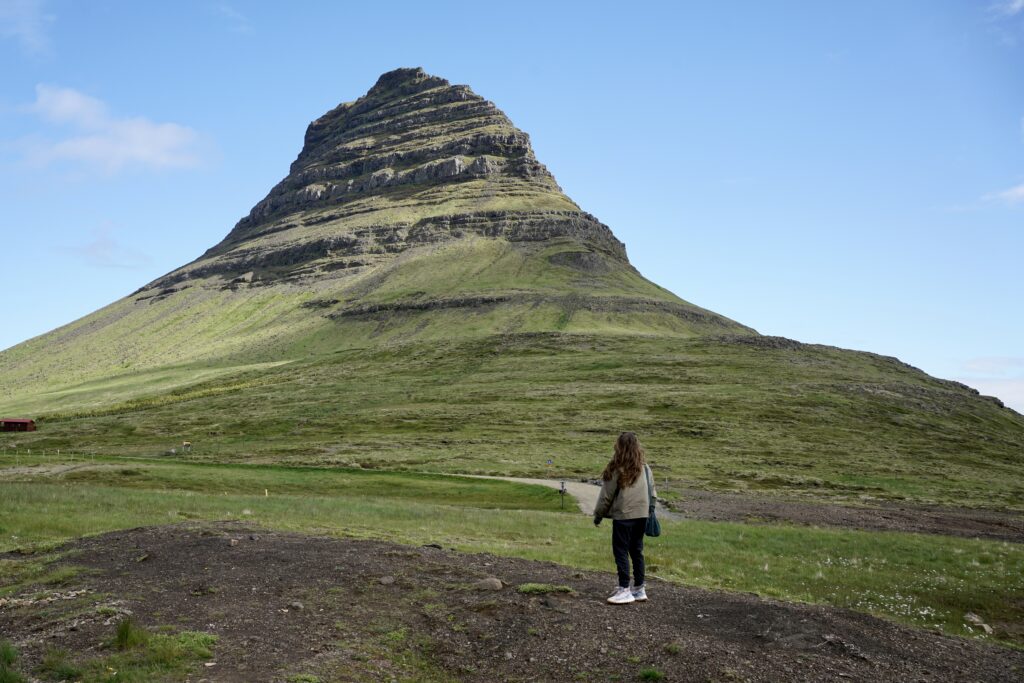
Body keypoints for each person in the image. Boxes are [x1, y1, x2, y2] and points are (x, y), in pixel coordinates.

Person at [593, 431, 656, 605]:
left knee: (620, 550)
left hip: (624, 515)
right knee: (637, 550)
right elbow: (653, 493)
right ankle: (639, 588)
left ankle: (624, 589)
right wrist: (649, 510)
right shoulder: (645, 468)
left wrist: (598, 516)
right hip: (642, 515)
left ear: (618, 446)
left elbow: (606, 496)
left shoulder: (616, 467)